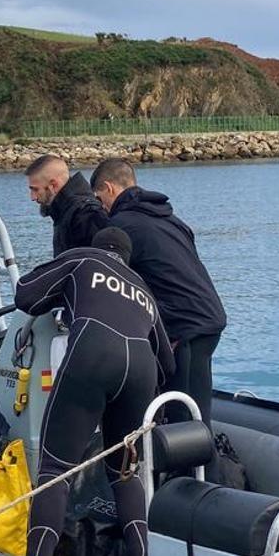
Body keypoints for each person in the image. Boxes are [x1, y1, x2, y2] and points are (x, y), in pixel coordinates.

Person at [14, 227, 174, 556]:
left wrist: (62, 295)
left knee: (55, 472)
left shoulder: (84, 258)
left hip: (93, 351)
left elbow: (25, 293)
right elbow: (167, 362)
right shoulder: (143, 289)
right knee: (123, 471)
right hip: (141, 369)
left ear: (98, 246)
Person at [90, 158, 226, 427]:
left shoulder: (122, 227)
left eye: (99, 198)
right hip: (208, 319)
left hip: (184, 327)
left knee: (183, 417)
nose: (100, 206)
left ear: (109, 188)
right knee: (197, 407)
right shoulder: (170, 219)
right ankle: (199, 465)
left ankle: (197, 468)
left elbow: (112, 282)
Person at [24, 154, 109, 256]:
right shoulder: (65, 212)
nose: (33, 197)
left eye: (36, 189)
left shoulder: (86, 214)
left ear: (54, 185)